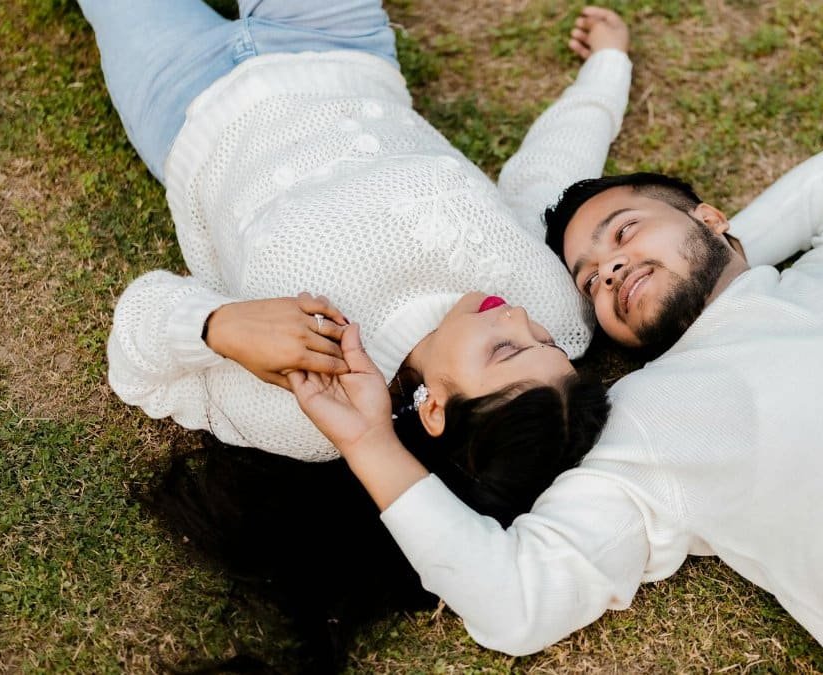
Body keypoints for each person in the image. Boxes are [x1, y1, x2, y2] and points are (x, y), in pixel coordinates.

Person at [288, 130, 823, 674]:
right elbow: (514, 601)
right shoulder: (646, 424)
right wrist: (370, 442)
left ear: (710, 214)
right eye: (590, 282)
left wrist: (728, 258)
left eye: (623, 233)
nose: (609, 269)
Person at [81, 0, 626, 668]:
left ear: (433, 407)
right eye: (542, 339)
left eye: (506, 348)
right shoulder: (558, 311)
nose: (516, 316)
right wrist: (608, 70)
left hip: (184, 102)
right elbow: (546, 179)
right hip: (339, 43)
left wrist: (218, 325)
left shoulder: (311, 408)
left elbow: (133, 351)